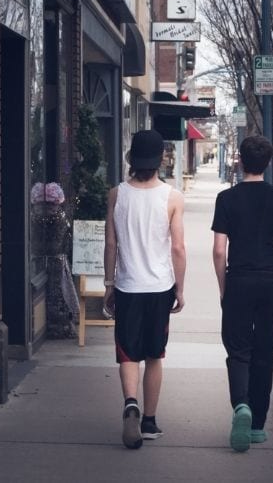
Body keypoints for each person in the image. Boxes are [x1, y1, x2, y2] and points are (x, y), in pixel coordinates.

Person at [211, 135, 273, 452]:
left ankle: (241, 406)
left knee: (237, 349)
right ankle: (258, 425)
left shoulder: (226, 199)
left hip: (239, 281)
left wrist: (224, 287)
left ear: (240, 161)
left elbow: (219, 251)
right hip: (269, 283)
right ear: (269, 162)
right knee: (264, 352)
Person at [103, 129, 187, 450]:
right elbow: (177, 248)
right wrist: (180, 289)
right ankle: (149, 421)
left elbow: (111, 244)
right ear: (159, 161)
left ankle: (130, 404)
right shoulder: (172, 197)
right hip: (159, 287)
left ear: (132, 160)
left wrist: (109, 284)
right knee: (154, 355)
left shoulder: (117, 195)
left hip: (127, 285)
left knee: (127, 352)